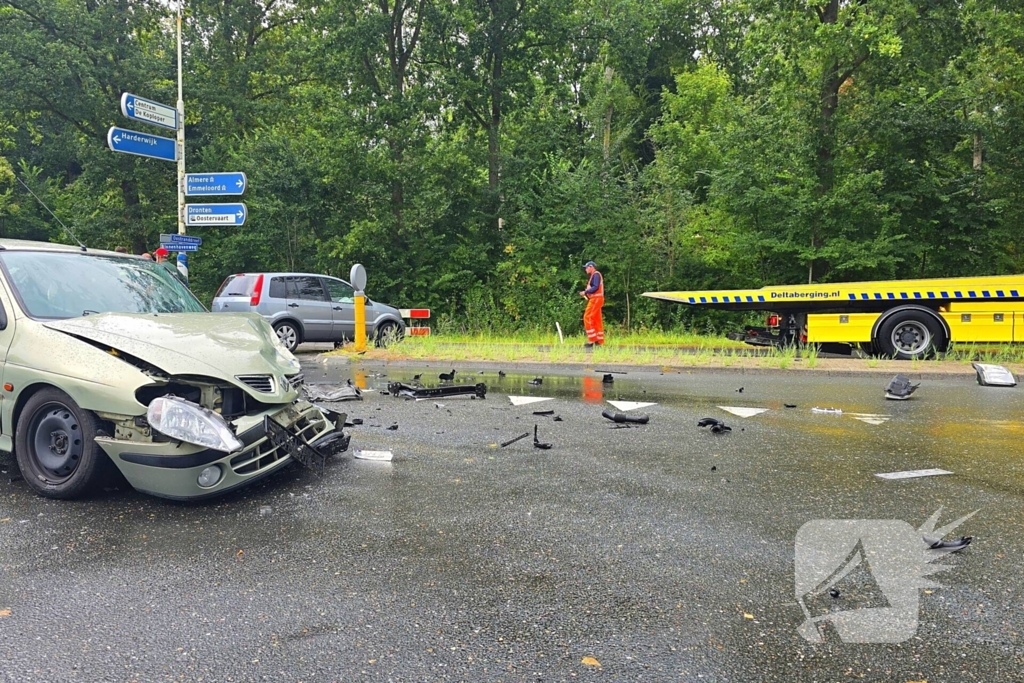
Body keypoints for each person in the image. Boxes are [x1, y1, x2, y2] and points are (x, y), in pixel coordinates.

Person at [579, 260, 604, 348]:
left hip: (596, 299)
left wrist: (585, 292)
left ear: (591, 267)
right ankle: (599, 340)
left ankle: (592, 339)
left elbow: (595, 287)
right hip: (597, 299)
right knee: (596, 319)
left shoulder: (596, 274)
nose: (585, 269)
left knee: (587, 317)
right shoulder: (595, 275)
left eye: (586, 267)